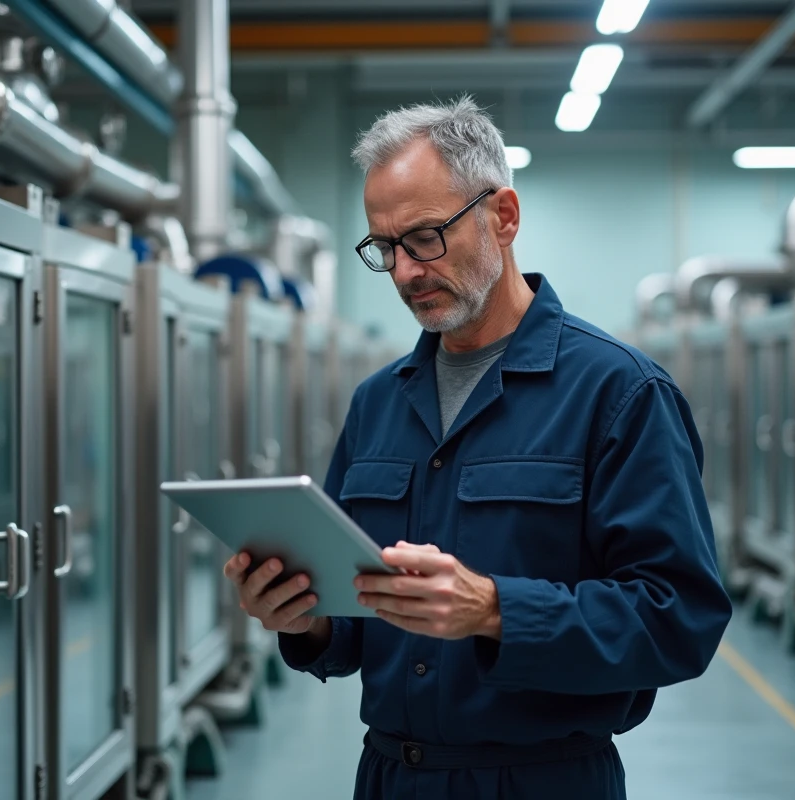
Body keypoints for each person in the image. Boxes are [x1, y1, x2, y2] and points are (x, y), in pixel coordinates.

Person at [223, 96, 733, 799]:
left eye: (426, 236)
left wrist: (495, 610)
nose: (405, 271)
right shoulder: (378, 402)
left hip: (546, 780)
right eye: (385, 248)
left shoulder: (619, 393)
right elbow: (351, 622)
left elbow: (679, 618)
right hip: (389, 778)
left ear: (503, 216)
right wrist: (304, 619)